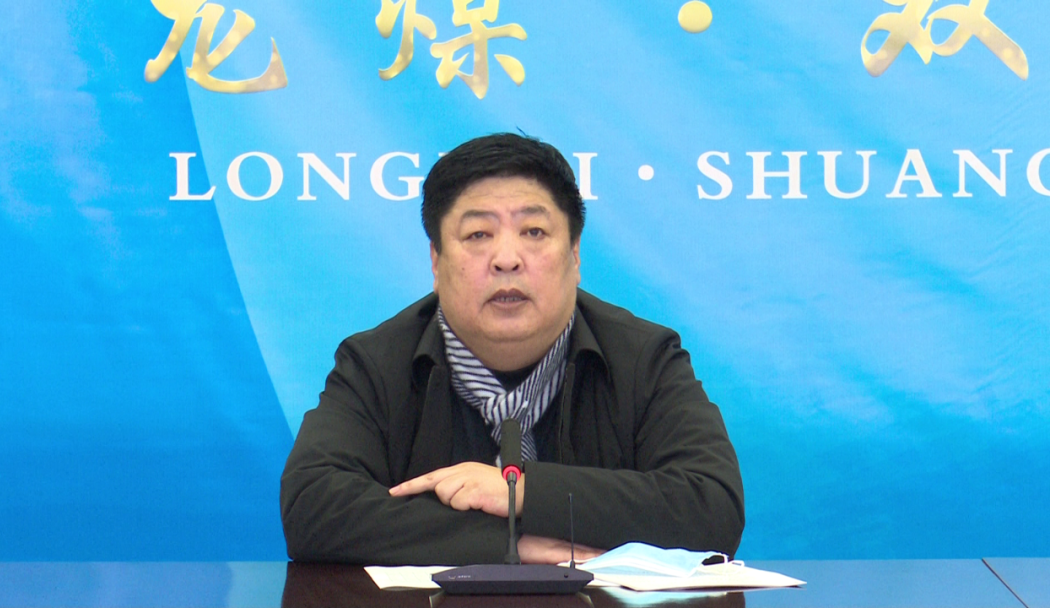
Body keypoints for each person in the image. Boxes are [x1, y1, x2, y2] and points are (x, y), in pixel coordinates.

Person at [280, 133, 744, 566]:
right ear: (436, 262)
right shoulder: (377, 364)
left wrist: (522, 493)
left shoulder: (642, 358)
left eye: (534, 232)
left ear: (575, 254)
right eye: (478, 235)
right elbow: (313, 508)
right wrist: (508, 543)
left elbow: (712, 506)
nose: (507, 259)